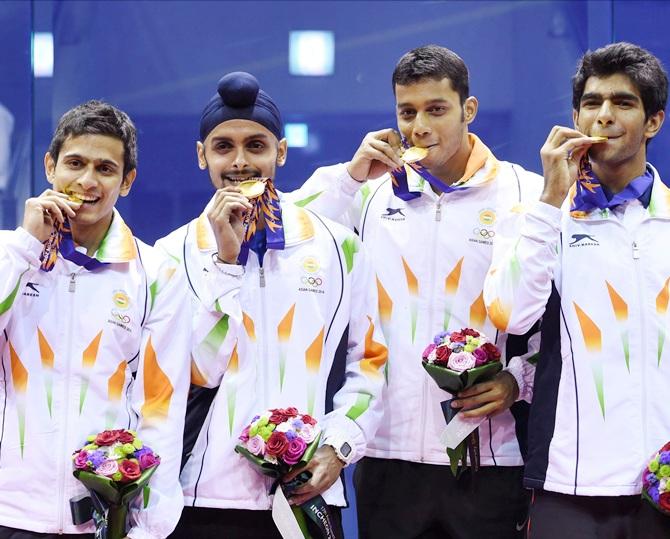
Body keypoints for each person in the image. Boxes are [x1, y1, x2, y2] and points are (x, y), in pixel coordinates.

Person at [293, 45, 543, 538]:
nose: (420, 126)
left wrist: (518, 379)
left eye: (436, 109)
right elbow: (289, 230)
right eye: (407, 112)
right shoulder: (368, 195)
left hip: (490, 457)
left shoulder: (524, 193)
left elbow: (556, 322)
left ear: (468, 110)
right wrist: (347, 178)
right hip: (387, 454)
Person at [158, 72, 387, 538]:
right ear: (202, 157)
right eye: (223, 147)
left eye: (256, 146)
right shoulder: (169, 255)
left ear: (280, 152)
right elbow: (187, 373)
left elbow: (371, 363)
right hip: (201, 497)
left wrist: (339, 445)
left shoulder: (338, 248)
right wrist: (224, 263)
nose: (240, 162)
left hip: (304, 491)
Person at [484, 42, 670, 538]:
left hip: (663, 486)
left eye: (623, 103)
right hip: (569, 483)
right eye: (592, 103)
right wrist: (548, 201)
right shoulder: (538, 218)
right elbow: (511, 314)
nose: (604, 116)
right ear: (574, 116)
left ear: (653, 122)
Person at [0, 100, 190, 538]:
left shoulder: (156, 274)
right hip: (9, 513)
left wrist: (149, 528)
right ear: (50, 167)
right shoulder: (12, 254)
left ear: (127, 182)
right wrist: (27, 245)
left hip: (102, 519)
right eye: (75, 163)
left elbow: (160, 409)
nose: (87, 181)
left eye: (105, 169)